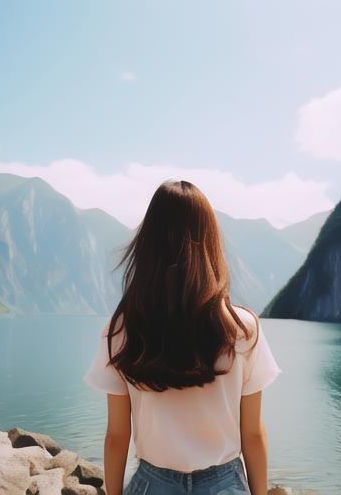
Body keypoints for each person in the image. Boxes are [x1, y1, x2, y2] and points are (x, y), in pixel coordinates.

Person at [83, 180, 282, 495]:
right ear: (210, 241)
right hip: (224, 486)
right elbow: (253, 435)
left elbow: (117, 437)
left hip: (152, 485)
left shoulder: (122, 329)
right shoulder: (242, 328)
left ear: (147, 244)